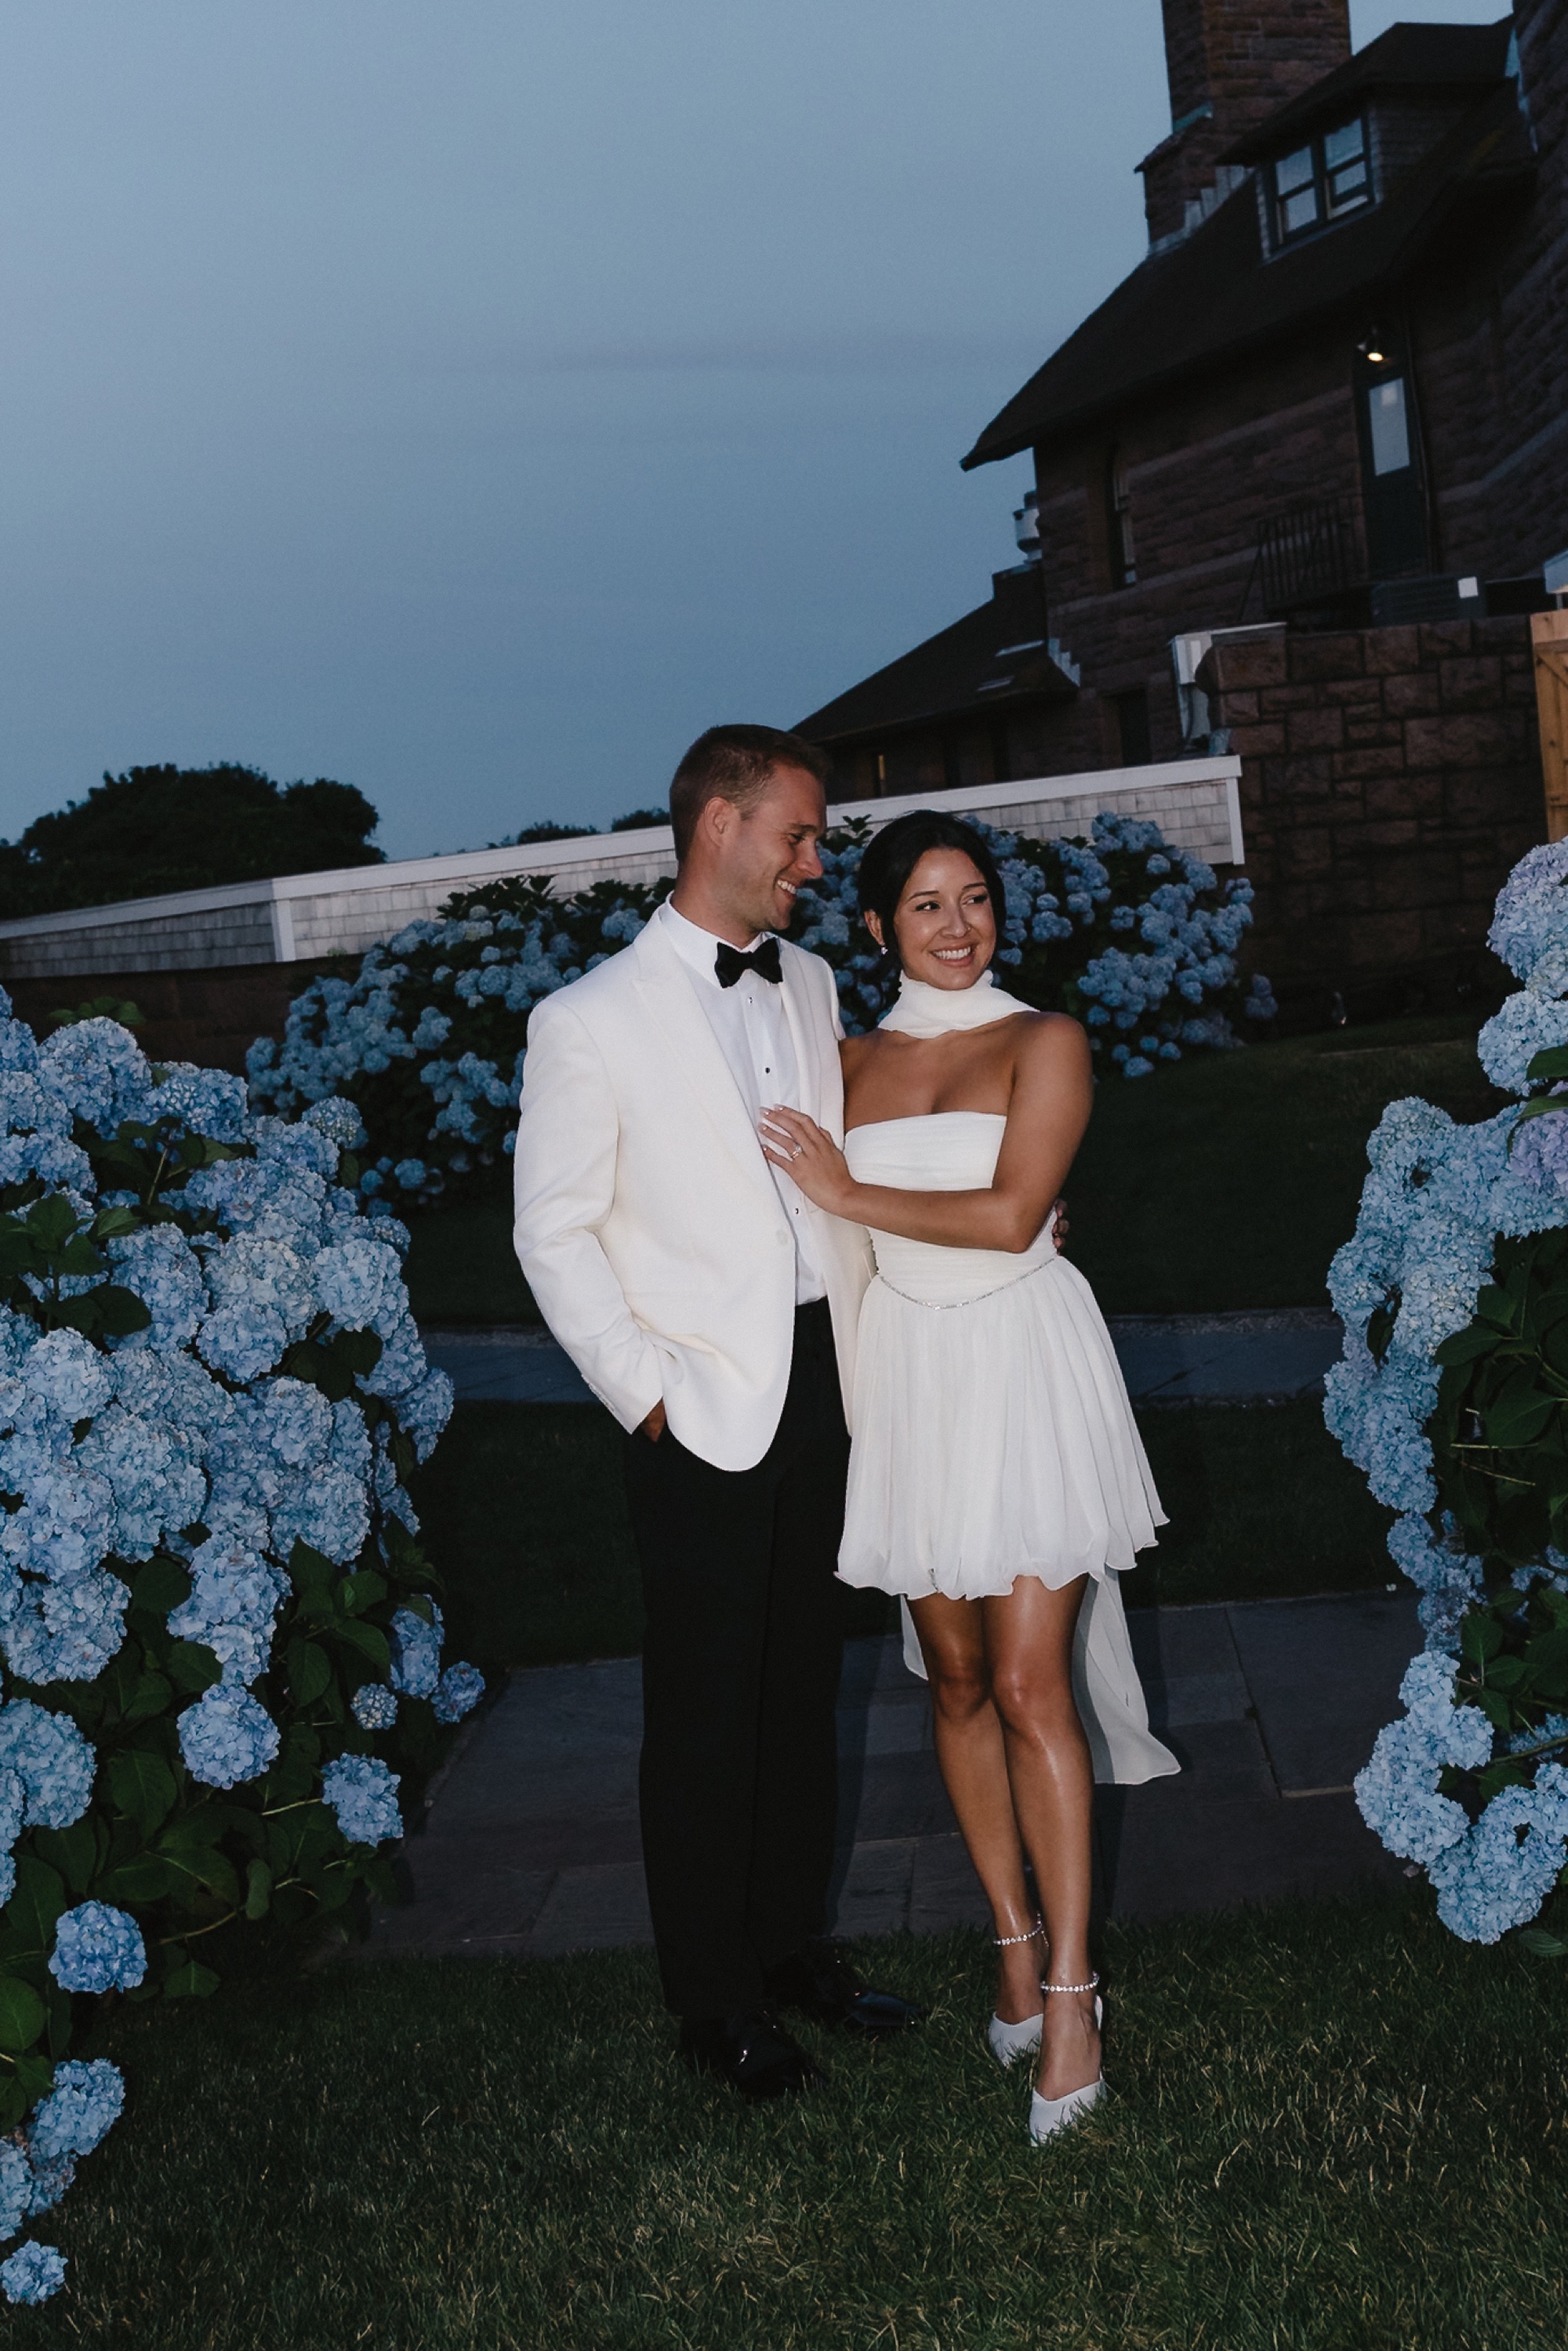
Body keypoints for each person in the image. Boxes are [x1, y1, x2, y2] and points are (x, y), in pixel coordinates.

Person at [511, 724, 924, 2102]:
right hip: (695, 1411)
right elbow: (553, 1237)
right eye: (798, 836)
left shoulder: (805, 982)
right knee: (705, 1712)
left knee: (805, 1692)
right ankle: (713, 2002)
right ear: (720, 830)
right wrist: (646, 1400)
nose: (817, 863)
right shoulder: (588, 1021)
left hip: (829, 1384)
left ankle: (790, 1947)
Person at [758, 808, 1178, 2146]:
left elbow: (1008, 1218)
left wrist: (849, 1189)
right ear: (876, 926)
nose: (958, 926)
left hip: (1020, 1365)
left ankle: (1070, 1994)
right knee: (948, 1679)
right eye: (926, 905)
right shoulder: (844, 1063)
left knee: (1025, 1682)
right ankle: (1006, 1936)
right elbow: (790, 1219)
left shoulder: (1044, 1041)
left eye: (976, 898)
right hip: (910, 1383)